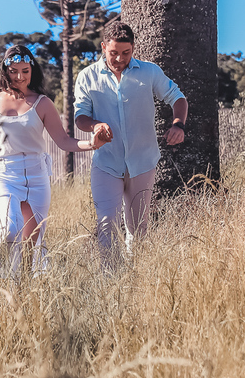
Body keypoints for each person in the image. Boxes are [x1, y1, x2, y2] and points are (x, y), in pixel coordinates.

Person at [0, 45, 111, 278]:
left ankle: (22, 295)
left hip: (37, 177)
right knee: (10, 230)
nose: (19, 76)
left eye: (25, 71)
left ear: (32, 71)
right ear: (5, 71)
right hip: (2, 174)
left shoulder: (42, 103)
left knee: (32, 242)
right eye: (14, 71)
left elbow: (63, 141)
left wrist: (93, 143)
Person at [73, 20, 189, 265]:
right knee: (107, 226)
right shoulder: (88, 76)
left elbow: (178, 98)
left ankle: (135, 282)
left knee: (138, 228)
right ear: (103, 47)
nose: (119, 59)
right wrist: (95, 125)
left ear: (133, 48)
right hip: (106, 163)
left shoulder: (150, 72)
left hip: (143, 162)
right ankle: (110, 283)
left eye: (126, 53)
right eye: (113, 53)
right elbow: (80, 117)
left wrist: (178, 124)